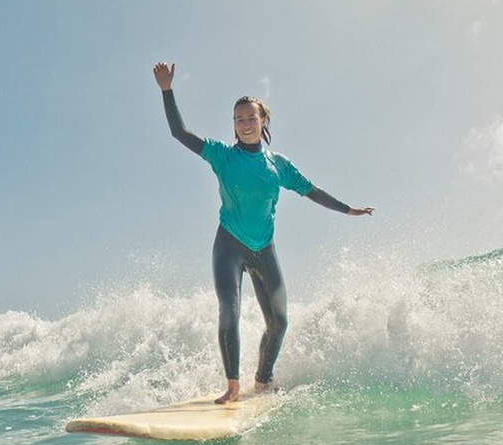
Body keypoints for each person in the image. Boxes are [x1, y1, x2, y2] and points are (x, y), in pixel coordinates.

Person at [153, 62, 374, 404]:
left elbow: (311, 190)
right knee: (230, 310)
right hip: (229, 245)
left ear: (264, 121)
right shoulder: (222, 156)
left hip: (264, 249)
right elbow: (179, 133)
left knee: (280, 322)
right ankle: (233, 386)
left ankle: (263, 379)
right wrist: (167, 90)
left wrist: (348, 209)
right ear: (234, 125)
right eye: (239, 119)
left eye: (251, 118)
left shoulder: (278, 165)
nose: (245, 124)